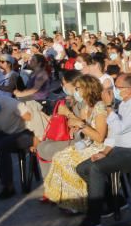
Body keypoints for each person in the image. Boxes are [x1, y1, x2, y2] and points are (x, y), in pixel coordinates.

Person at [71, 74, 131, 226]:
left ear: (129, 90)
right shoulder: (125, 103)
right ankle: (114, 201)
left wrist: (109, 107)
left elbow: (120, 128)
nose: (112, 90)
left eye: (116, 87)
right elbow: (114, 135)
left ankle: (93, 218)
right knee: (82, 168)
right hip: (120, 148)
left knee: (95, 168)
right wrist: (105, 151)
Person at [42, 75, 111, 214]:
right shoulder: (88, 106)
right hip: (88, 144)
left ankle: (78, 203)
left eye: (78, 88)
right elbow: (82, 123)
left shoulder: (100, 108)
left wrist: (80, 124)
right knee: (59, 157)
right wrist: (73, 119)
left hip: (100, 147)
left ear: (87, 89)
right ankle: (69, 199)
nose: (76, 91)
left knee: (67, 161)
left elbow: (99, 137)